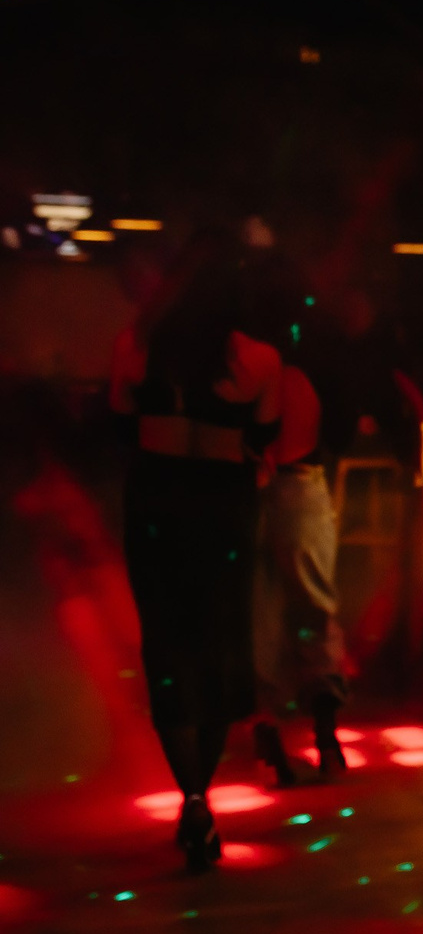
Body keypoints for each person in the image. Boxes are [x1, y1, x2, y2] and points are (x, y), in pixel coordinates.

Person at [109, 227, 282, 871]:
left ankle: (191, 796)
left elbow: (120, 424)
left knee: (169, 650)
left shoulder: (136, 345)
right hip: (222, 510)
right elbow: (263, 439)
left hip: (156, 505)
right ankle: (201, 799)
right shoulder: (260, 360)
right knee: (220, 652)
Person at [243, 267, 349, 787]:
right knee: (314, 609)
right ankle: (325, 735)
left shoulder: (241, 363)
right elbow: (335, 432)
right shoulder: (307, 365)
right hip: (301, 487)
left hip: (246, 492)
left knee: (258, 614)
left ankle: (267, 729)